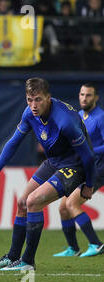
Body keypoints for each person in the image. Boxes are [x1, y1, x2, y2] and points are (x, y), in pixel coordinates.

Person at [0, 78, 96, 271]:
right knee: (22, 202)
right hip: (54, 161)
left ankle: (27, 262)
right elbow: (13, 142)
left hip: (75, 166)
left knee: (34, 201)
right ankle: (12, 257)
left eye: (38, 100)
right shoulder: (30, 113)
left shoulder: (65, 121)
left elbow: (89, 157)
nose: (33, 105)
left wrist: (89, 185)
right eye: (29, 100)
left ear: (48, 98)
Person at [54, 83, 104, 257]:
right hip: (82, 167)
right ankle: (73, 248)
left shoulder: (101, 117)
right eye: (82, 94)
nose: (84, 98)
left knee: (71, 204)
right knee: (63, 208)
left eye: (88, 95)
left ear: (96, 98)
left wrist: (87, 150)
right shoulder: (79, 115)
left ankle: (96, 244)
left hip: (98, 168)